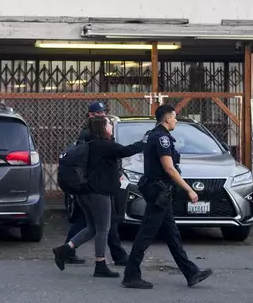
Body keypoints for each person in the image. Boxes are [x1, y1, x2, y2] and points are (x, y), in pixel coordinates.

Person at [122, 104, 213, 289]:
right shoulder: (162, 138)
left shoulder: (151, 134)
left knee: (172, 235)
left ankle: (191, 272)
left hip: (159, 192)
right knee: (146, 235)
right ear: (166, 118)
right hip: (159, 193)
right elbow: (169, 168)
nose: (176, 120)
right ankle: (131, 275)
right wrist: (189, 189)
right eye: (174, 117)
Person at [52, 115, 143, 278]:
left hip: (85, 192)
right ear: (102, 127)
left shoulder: (93, 144)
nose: (111, 126)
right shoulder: (104, 146)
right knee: (103, 228)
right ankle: (100, 264)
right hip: (98, 193)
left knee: (92, 227)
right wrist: (145, 142)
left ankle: (65, 249)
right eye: (108, 123)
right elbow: (126, 151)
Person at [64, 101, 129, 266]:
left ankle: (67, 249)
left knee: (91, 223)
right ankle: (115, 257)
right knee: (104, 224)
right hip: (95, 186)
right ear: (91, 115)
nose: (103, 116)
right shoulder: (90, 134)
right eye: (99, 114)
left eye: (104, 113)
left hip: (99, 185)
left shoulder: (100, 133)